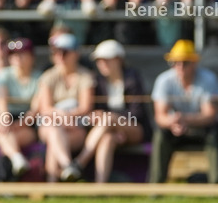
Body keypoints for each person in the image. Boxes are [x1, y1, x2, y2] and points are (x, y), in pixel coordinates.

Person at [69, 40, 148, 183]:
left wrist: (113, 120)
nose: (102, 64)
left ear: (118, 59)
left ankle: (80, 162)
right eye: (99, 60)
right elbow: (95, 112)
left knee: (108, 118)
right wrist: (98, 118)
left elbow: (137, 114)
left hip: (135, 129)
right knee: (107, 140)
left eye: (106, 60)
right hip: (110, 132)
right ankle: (100, 187)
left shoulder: (132, 79)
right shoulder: (98, 82)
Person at [149, 40, 218, 183]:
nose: (180, 67)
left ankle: (215, 185)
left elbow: (210, 115)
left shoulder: (208, 79)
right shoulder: (164, 80)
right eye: (175, 62)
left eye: (185, 62)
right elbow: (160, 117)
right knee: (160, 136)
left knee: (215, 134)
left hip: (201, 129)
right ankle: (155, 187)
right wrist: (173, 123)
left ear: (194, 63)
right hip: (175, 129)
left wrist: (184, 119)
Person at [34, 33, 95, 182]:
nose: (59, 56)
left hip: (74, 128)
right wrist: (62, 115)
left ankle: (52, 184)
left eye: (64, 52)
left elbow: (86, 107)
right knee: (54, 130)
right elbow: (45, 108)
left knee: (55, 139)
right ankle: (68, 166)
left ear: (75, 53)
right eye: (56, 52)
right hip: (54, 124)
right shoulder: (48, 76)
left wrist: (67, 117)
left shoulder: (85, 76)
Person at [0, 38, 41, 177]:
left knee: (4, 139)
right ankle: (16, 160)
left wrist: (18, 125)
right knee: (0, 130)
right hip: (8, 120)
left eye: (22, 54)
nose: (17, 58)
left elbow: (35, 111)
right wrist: (5, 118)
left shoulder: (39, 78)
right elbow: (1, 103)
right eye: (13, 54)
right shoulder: (3, 75)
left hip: (27, 124)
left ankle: (6, 173)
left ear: (32, 57)